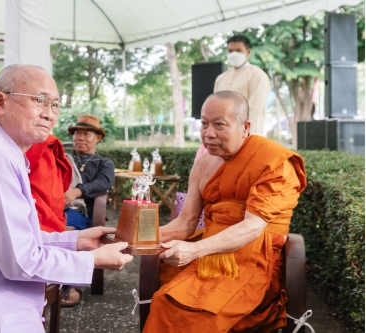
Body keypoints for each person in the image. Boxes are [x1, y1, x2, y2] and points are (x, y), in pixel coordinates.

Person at [0, 64, 132, 332]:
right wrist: (95, 260)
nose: (49, 114)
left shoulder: (7, 152)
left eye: (55, 105)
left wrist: (77, 241)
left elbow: (16, 239)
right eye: (40, 101)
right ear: (1, 102)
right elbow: (20, 260)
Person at [143, 91, 306, 333]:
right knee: (163, 302)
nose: (208, 133)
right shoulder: (203, 163)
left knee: (194, 317)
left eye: (219, 124)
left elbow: (252, 227)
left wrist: (195, 249)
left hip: (253, 262)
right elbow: (186, 222)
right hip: (207, 255)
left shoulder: (273, 162)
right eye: (204, 123)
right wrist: (134, 236)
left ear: (245, 127)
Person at [61, 114, 115, 307]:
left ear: (98, 138)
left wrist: (78, 191)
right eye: (77, 133)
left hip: (85, 214)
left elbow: (104, 183)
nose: (80, 138)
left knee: (68, 228)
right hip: (58, 207)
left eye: (86, 134)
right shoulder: (62, 158)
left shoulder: (104, 163)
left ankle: (70, 284)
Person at [214, 35, 271, 136]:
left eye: (238, 50)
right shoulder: (221, 78)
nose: (234, 54)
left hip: (248, 133)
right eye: (230, 51)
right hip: (223, 135)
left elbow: (254, 108)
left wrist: (238, 131)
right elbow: (215, 107)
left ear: (248, 52)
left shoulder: (257, 75)